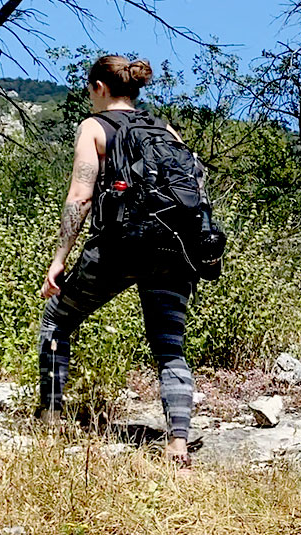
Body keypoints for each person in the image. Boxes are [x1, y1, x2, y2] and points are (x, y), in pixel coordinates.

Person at [37, 55, 197, 466]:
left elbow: (80, 197)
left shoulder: (94, 127)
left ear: (99, 88)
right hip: (172, 247)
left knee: (57, 317)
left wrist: (59, 259)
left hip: (120, 245)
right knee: (169, 346)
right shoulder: (164, 129)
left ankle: (51, 419)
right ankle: (178, 442)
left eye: (90, 90)